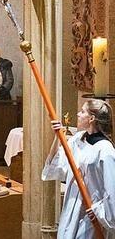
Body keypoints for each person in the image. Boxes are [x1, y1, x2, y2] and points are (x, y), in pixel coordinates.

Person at [42, 99, 115, 238]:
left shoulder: (105, 150)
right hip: (72, 206)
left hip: (91, 214)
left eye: (82, 111)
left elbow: (112, 189)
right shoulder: (78, 139)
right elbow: (58, 165)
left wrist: (99, 211)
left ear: (92, 118)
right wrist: (58, 137)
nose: (78, 114)